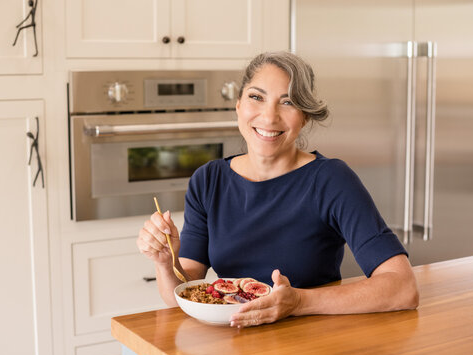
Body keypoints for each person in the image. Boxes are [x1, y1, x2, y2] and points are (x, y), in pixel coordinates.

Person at [137, 51, 419, 328]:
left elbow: (402, 288)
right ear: (238, 105)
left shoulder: (331, 179)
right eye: (256, 97)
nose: (270, 117)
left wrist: (298, 302)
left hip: (311, 343)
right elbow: (183, 296)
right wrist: (165, 262)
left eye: (288, 102)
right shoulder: (208, 180)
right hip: (235, 343)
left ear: (305, 117)